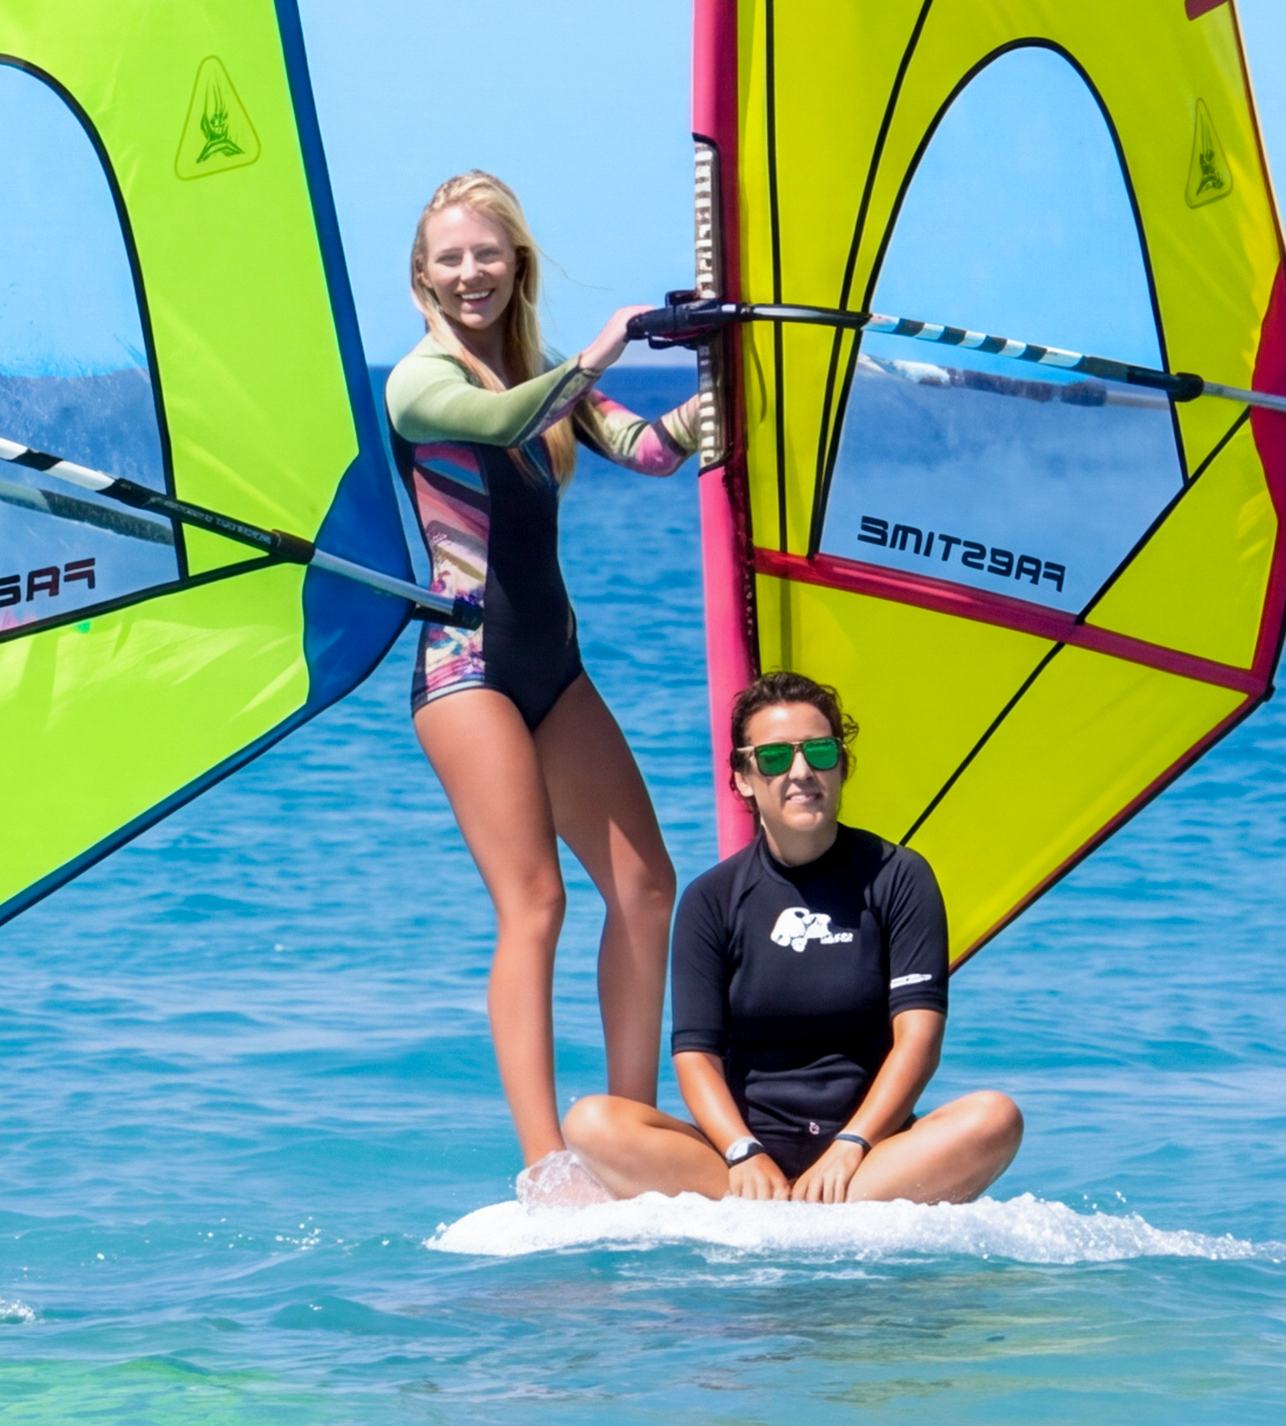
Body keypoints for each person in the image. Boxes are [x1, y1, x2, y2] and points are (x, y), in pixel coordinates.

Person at [389, 172, 707, 1175]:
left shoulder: (546, 374)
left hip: (554, 670)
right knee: (535, 903)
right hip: (465, 668)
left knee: (648, 886)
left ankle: (626, 1138)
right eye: (451, 258)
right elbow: (504, 425)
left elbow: (651, 450)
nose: (471, 273)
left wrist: (723, 393)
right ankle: (547, 1166)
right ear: (423, 275)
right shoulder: (420, 382)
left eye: (488, 253)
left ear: (515, 262)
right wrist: (611, 344)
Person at [562, 671, 1025, 1202]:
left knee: (995, 1117)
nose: (802, 771)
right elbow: (696, 1056)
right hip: (740, 1165)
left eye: (820, 752)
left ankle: (823, 1205)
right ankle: (783, 1203)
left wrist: (852, 1144)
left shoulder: (899, 876)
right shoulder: (711, 898)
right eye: (776, 757)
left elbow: (918, 1041)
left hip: (868, 1158)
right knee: (592, 1122)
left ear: (842, 765)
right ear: (742, 776)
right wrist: (742, 1150)